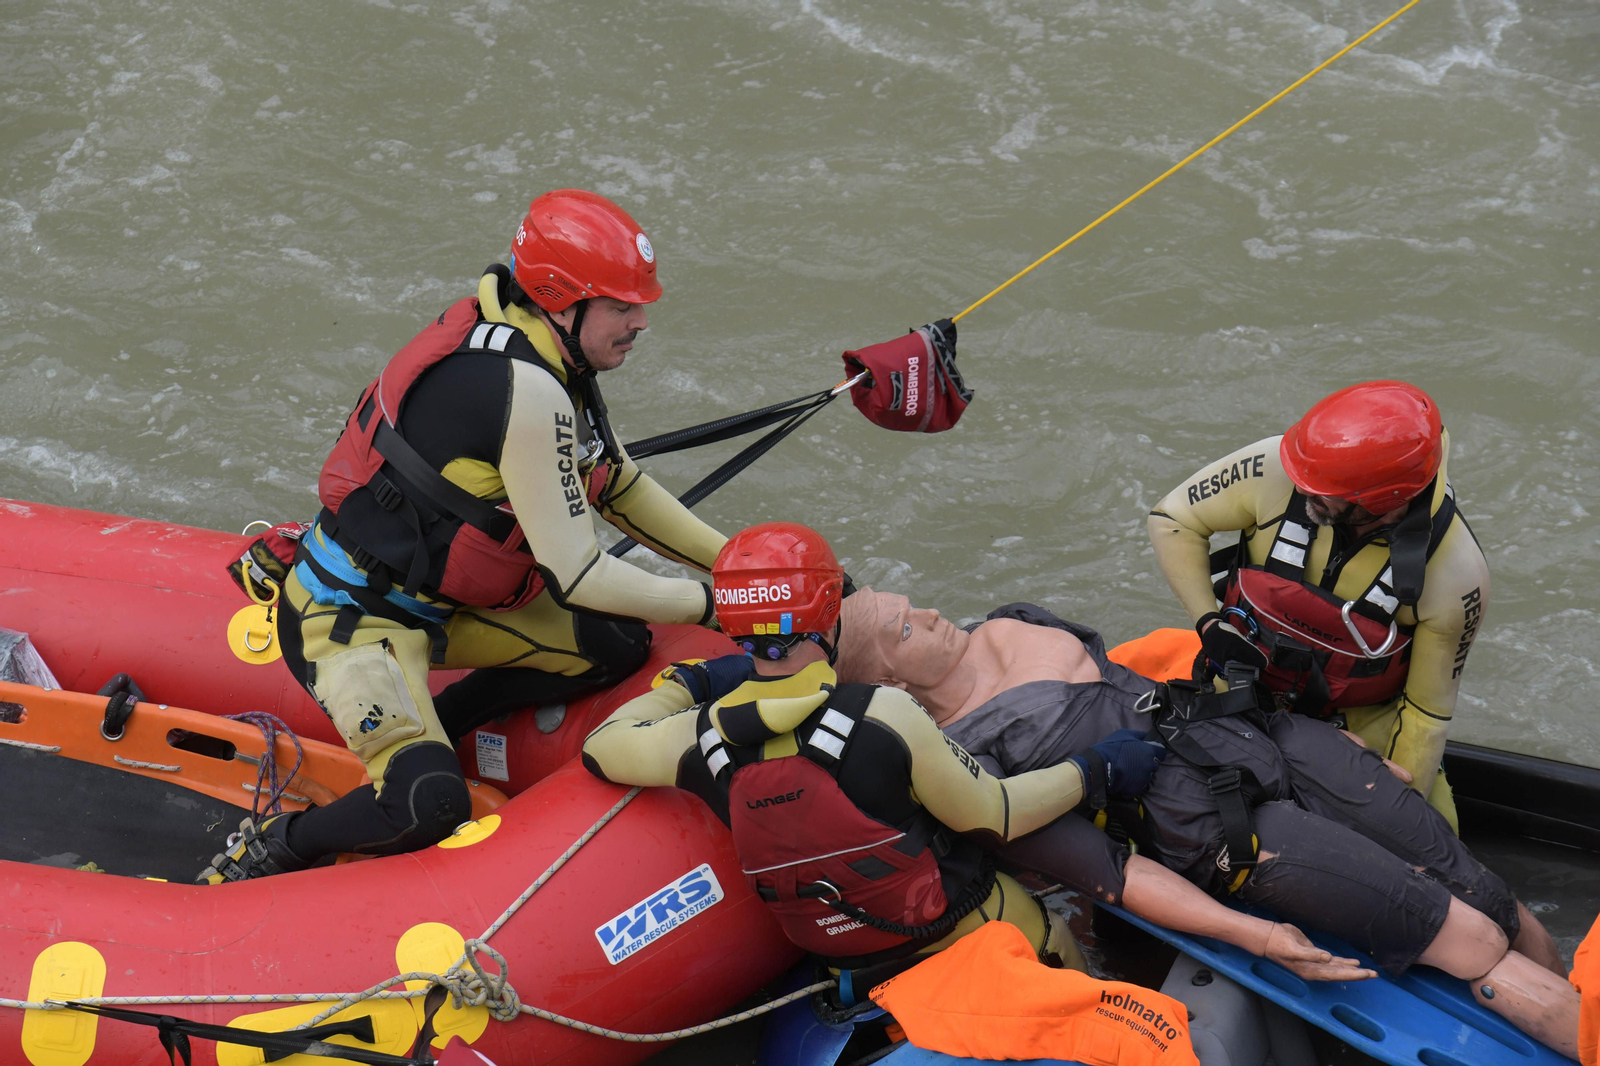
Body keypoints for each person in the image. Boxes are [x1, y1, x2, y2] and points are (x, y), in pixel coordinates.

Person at [202, 190, 728, 883]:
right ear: (560, 298)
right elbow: (580, 574)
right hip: (351, 619)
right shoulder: (526, 388)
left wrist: (736, 562)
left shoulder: (535, 344)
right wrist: (721, 603)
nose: (641, 321)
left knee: (618, 646)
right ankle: (279, 842)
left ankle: (438, 726)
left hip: (445, 606)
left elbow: (618, 488)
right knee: (428, 803)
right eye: (623, 306)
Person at [835, 589, 1580, 1057]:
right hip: (1232, 829)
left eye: (914, 603)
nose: (930, 614)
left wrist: (1318, 731)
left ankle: (1580, 1005)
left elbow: (1157, 682)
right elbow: (1115, 874)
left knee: (1490, 898)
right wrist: (1254, 934)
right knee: (1472, 939)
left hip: (1265, 741)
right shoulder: (977, 765)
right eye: (906, 630)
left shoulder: (1013, 618)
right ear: (896, 684)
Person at [581, 523, 1166, 978]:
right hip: (934, 924)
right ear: (830, 613)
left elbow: (601, 747)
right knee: (1051, 928)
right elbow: (997, 813)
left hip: (826, 945)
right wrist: (1094, 768)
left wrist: (691, 683)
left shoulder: (697, 736)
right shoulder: (885, 712)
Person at [1146, 380, 1486, 828]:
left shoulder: (1456, 578)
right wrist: (1208, 622)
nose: (1299, 490)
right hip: (1240, 688)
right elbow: (1174, 520)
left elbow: (1425, 714)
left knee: (1435, 847)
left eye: (1324, 493)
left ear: (1383, 503)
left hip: (1356, 730)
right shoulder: (1280, 466)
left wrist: (1398, 811)